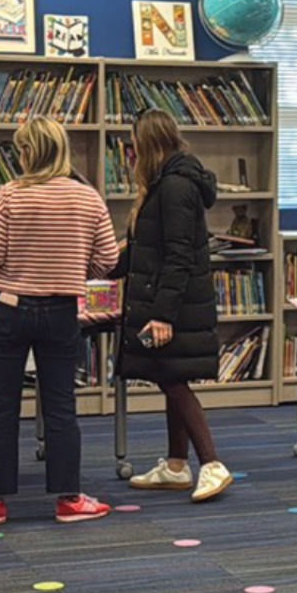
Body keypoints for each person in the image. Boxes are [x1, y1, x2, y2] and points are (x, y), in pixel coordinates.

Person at [0, 117, 118, 527]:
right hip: (62, 311)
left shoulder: (11, 194)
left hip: (9, 309)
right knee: (62, 404)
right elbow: (107, 262)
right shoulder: (88, 198)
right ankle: (69, 499)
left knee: (1, 404)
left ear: (30, 152)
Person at [120, 108, 231, 502]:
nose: (130, 152)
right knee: (171, 376)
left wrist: (163, 314)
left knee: (171, 378)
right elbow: (150, 248)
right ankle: (176, 465)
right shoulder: (168, 181)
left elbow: (179, 255)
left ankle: (212, 464)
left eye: (134, 143)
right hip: (173, 299)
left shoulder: (174, 187)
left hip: (176, 303)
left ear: (147, 143)